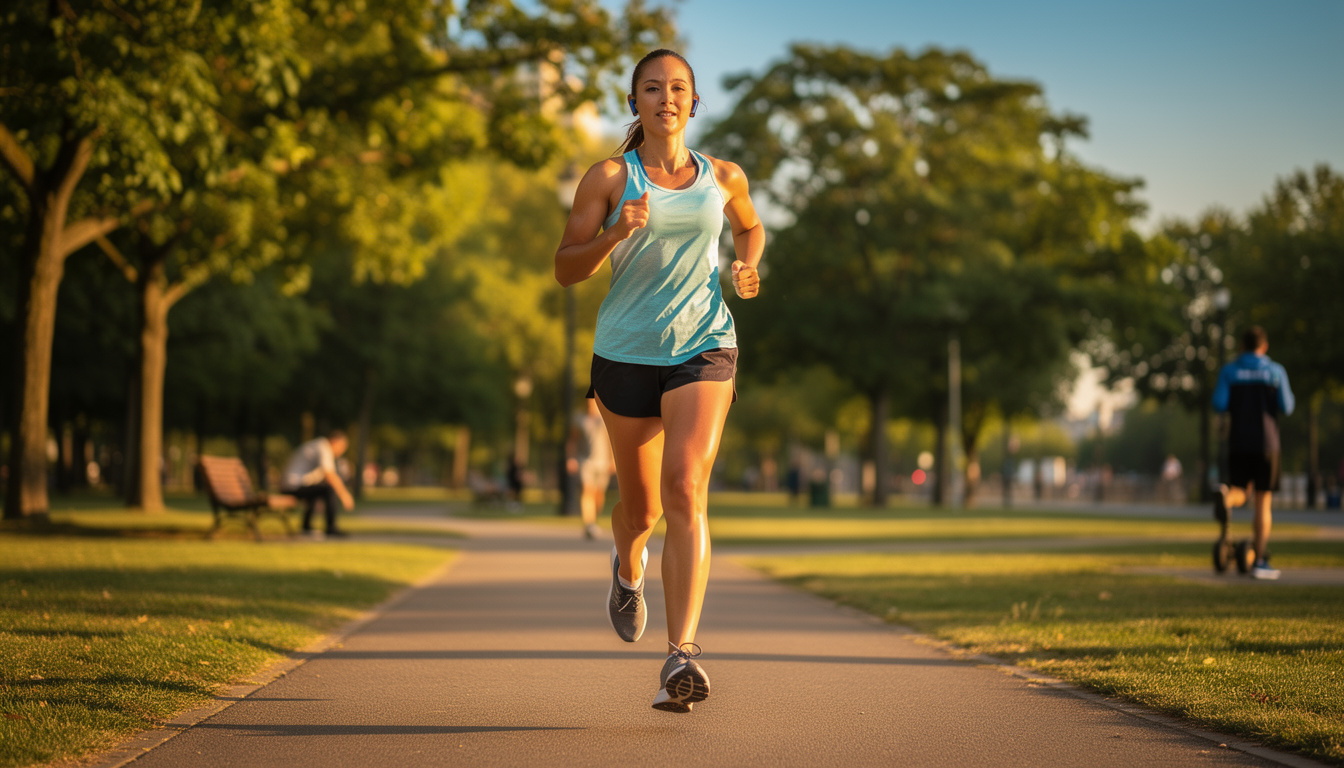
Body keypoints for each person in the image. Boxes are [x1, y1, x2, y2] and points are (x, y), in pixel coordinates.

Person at [553, 48, 763, 713]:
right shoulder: (609, 177)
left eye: (677, 88)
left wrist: (746, 266)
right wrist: (614, 232)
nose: (666, 97)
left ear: (693, 102)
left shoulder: (724, 175)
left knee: (685, 486)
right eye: (652, 87)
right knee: (641, 511)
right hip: (625, 354)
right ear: (635, 102)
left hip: (705, 345)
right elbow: (565, 268)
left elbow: (751, 227)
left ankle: (682, 655)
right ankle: (625, 566)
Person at [1212, 326, 1295, 579]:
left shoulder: (1230, 371)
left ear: (1241, 346)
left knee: (1241, 490)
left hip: (1238, 442)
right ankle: (1259, 561)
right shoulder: (1275, 371)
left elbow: (1219, 404)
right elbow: (1287, 406)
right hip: (1267, 444)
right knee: (1262, 500)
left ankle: (1226, 498)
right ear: (1264, 346)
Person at [280, 430, 355, 539]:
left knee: (319, 489)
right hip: (292, 486)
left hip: (292, 485)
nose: (341, 451)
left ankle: (306, 527)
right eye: (342, 447)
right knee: (329, 489)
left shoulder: (318, 445)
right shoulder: (323, 447)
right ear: (334, 441)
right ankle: (331, 528)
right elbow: (330, 476)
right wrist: (344, 495)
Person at [568, 398, 614, 540]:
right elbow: (572, 440)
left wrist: (613, 460)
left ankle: (593, 519)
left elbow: (611, 440)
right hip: (585, 461)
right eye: (589, 403)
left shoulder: (605, 419)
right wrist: (571, 458)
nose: (591, 406)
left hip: (603, 462)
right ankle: (589, 524)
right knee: (587, 490)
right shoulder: (579, 420)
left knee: (598, 494)